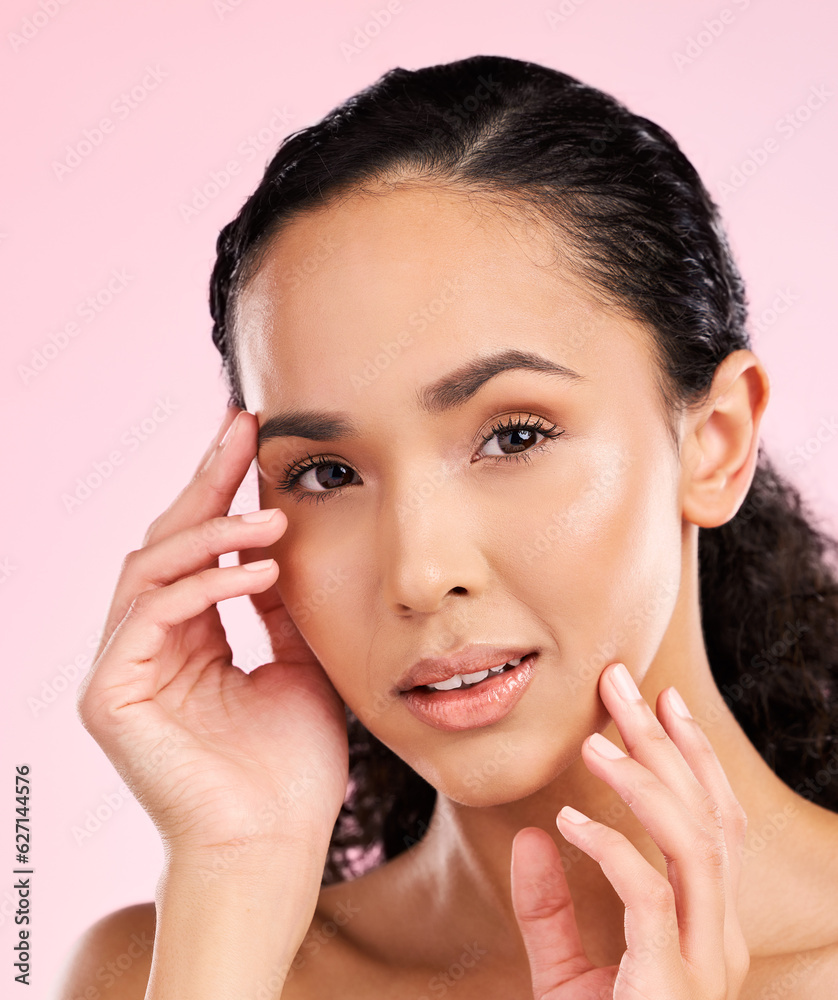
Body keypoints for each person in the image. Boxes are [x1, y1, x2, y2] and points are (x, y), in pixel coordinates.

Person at [58, 54, 838, 999]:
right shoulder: (172, 966)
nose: (419, 574)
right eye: (327, 473)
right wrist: (233, 869)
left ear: (714, 443)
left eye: (513, 436)